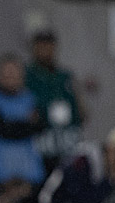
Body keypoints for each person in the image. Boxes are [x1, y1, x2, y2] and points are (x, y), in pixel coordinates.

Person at [0, 53, 46, 203]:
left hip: (28, 176)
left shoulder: (30, 98)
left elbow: (39, 126)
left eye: (15, 74)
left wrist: (17, 124)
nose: (10, 78)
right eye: (7, 74)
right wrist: (25, 124)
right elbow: (3, 129)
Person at [24, 29, 86, 175]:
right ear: (34, 48)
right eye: (41, 46)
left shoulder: (65, 76)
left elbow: (82, 111)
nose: (46, 50)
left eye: (49, 45)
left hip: (67, 144)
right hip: (40, 148)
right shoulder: (27, 75)